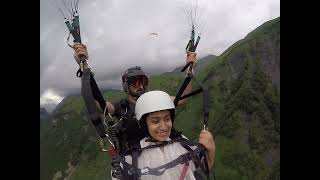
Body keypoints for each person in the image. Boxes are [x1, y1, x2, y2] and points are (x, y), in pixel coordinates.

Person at [72, 43, 198, 155]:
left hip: (164, 156)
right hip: (136, 162)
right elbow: (95, 104)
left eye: (142, 81)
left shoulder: (156, 100)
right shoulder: (121, 107)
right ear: (126, 86)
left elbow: (182, 99)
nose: (140, 86)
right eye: (135, 82)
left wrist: (190, 69)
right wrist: (84, 67)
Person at [112, 90, 215, 180]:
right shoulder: (133, 158)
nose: (164, 127)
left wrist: (211, 149)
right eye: (155, 121)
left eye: (167, 119)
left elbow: (203, 169)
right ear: (144, 124)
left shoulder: (183, 143)